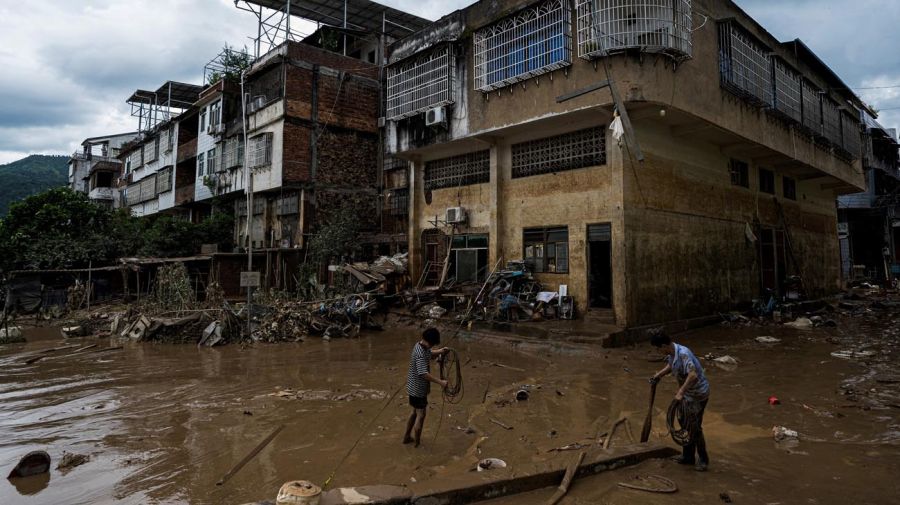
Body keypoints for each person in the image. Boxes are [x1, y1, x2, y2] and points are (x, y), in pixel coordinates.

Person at [649, 329, 710, 471]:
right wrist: (659, 375)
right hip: (687, 395)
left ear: (664, 346)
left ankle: (703, 460)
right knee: (684, 423)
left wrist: (681, 392)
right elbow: (671, 366)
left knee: (694, 427)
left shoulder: (683, 354)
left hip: (697, 395)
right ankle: (688, 456)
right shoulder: (672, 353)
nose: (658, 351)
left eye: (658, 349)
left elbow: (693, 375)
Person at [403, 327, 448, 447]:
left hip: (413, 387)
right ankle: (417, 444)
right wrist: (440, 382)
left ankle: (407, 436)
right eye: (433, 344)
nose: (432, 346)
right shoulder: (420, 353)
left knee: (414, 412)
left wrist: (440, 351)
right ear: (429, 342)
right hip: (418, 390)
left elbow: (429, 353)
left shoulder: (420, 345)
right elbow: (423, 374)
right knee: (421, 415)